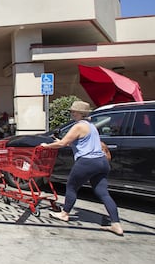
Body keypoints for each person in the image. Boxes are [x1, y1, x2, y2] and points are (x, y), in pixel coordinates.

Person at [40, 101, 123, 236]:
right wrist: (61, 143)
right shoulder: (91, 126)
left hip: (87, 162)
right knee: (103, 193)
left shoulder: (78, 126)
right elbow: (78, 143)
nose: (72, 113)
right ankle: (116, 224)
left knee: (71, 187)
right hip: (101, 162)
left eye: (74, 111)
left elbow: (63, 142)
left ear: (80, 114)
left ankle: (64, 213)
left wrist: (46, 146)